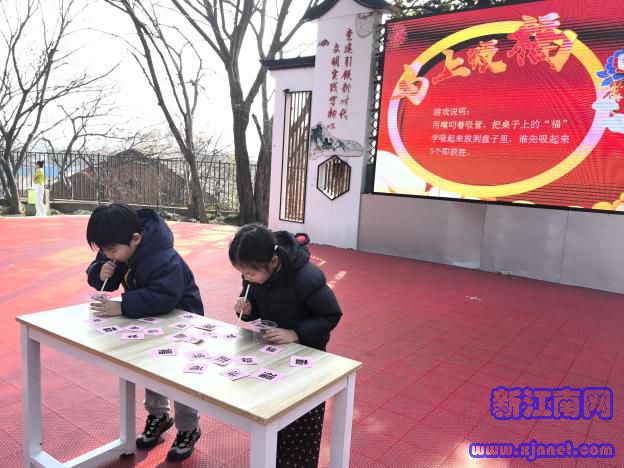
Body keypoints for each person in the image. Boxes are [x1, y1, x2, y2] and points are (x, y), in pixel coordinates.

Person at [85, 202, 203, 462]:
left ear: (136, 239)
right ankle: (159, 416)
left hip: (181, 320)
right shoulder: (118, 246)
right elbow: (106, 275)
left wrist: (123, 306)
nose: (107, 254)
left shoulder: (163, 257)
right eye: (102, 250)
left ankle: (188, 428)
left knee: (180, 377)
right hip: (149, 319)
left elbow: (164, 296)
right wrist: (99, 272)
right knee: (150, 368)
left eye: (111, 250)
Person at [229, 224, 342, 468]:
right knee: (273, 415)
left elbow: (331, 315)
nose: (246, 278)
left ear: (273, 262)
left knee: (300, 421)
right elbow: (254, 300)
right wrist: (247, 310)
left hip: (308, 355)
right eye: (242, 274)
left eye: (250, 274)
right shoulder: (255, 272)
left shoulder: (306, 277)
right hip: (275, 352)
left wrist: (295, 334)